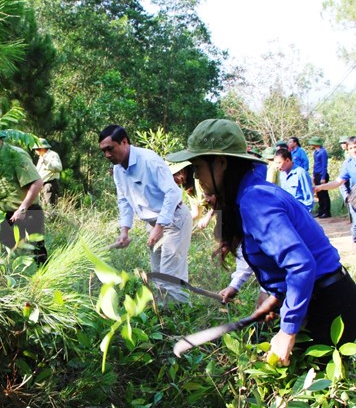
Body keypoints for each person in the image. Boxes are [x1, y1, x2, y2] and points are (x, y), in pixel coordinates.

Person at [168, 119, 356, 365]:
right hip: (314, 298)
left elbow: (301, 265)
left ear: (221, 163)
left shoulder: (256, 200)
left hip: (329, 307)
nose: (196, 176)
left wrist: (287, 331)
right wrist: (274, 298)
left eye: (199, 167)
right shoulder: (250, 195)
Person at [99, 125, 192, 303]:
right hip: (154, 224)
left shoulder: (149, 160)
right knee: (158, 276)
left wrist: (160, 227)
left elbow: (172, 193)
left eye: (110, 149)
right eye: (103, 151)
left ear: (124, 142)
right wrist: (124, 231)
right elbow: (124, 200)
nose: (107, 155)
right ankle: (165, 313)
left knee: (171, 277)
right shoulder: (118, 170)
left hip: (174, 219)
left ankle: (182, 314)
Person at [0, 130, 47, 264]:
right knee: (7, 250)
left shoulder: (16, 155)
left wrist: (22, 209)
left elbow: (37, 183)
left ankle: (45, 274)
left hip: (28, 211)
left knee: (37, 251)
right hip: (8, 214)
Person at [315, 136, 356, 244]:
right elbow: (338, 182)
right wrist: (320, 187)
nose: (353, 150)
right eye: (351, 148)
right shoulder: (348, 164)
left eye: (355, 147)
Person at [169, 161, 213, 228]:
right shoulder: (187, 185)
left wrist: (208, 217)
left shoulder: (199, 178)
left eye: (173, 175)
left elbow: (220, 200)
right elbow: (196, 213)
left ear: (182, 170)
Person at [33, 138, 62, 206]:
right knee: (44, 208)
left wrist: (47, 163)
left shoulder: (52, 155)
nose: (36, 151)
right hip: (42, 186)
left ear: (43, 148)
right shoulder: (41, 157)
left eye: (37, 149)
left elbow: (59, 168)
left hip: (49, 184)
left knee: (51, 207)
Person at [308, 137, 331, 218]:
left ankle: (326, 211)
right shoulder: (315, 152)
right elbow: (315, 165)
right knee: (319, 194)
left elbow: (324, 165)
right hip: (317, 174)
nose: (311, 145)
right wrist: (313, 175)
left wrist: (323, 177)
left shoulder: (323, 152)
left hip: (322, 174)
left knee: (324, 194)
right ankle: (321, 211)